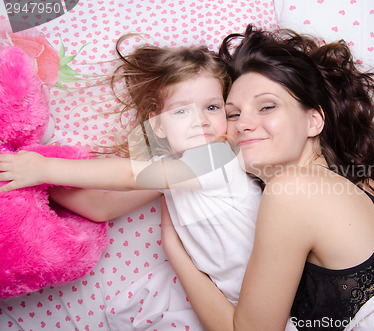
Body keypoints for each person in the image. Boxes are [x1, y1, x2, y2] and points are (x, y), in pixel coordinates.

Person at [0, 34, 298, 330]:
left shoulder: (220, 157)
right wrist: (30, 179)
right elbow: (102, 207)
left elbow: (129, 176)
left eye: (212, 107)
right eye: (182, 111)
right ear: (158, 124)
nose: (201, 120)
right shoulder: (170, 171)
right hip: (229, 303)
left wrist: (45, 168)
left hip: (275, 303)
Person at [160, 25, 374, 331]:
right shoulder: (360, 184)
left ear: (313, 121)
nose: (244, 124)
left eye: (266, 106)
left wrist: (175, 249)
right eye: (232, 114)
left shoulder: (292, 189)